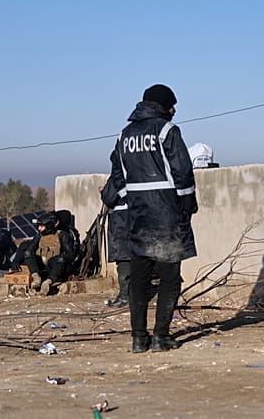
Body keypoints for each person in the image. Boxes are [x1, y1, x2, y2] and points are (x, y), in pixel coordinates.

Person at [110, 84, 198, 353]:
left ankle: (138, 339)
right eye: (172, 106)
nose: (174, 111)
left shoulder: (125, 135)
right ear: (162, 106)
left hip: (137, 216)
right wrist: (187, 205)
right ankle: (160, 337)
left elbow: (117, 173)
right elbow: (182, 171)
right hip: (166, 213)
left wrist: (132, 197)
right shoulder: (166, 131)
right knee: (170, 278)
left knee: (139, 280)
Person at [101, 150, 131, 309]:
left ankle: (125, 296)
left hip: (122, 222)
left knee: (124, 260)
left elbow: (109, 197)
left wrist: (105, 190)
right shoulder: (145, 172)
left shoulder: (119, 176)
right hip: (142, 221)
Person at [24, 212, 76, 295]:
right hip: (41, 262)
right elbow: (31, 249)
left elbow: (71, 255)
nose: (39, 228)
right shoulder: (39, 236)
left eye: (41, 226)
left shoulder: (62, 235)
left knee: (60, 259)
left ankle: (48, 282)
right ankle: (36, 278)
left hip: (53, 263)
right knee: (27, 253)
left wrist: (62, 258)